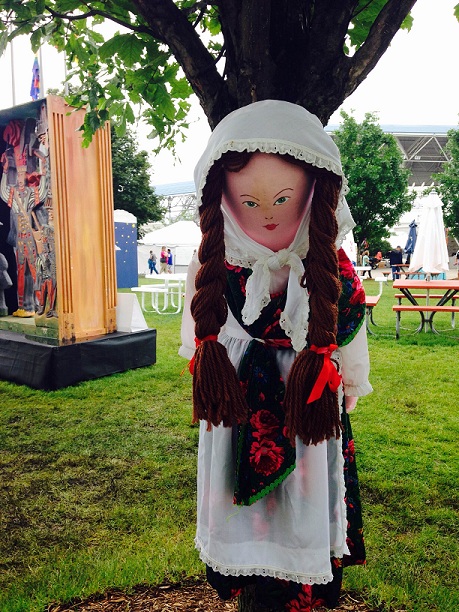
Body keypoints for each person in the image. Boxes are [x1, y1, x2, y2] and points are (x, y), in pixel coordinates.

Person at [179, 100, 372, 610]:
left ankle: (299, 578)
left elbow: (349, 326)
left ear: (314, 193)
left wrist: (351, 379)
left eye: (283, 198)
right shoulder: (217, 261)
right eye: (250, 201)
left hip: (307, 406)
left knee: (306, 495)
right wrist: (205, 368)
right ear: (224, 198)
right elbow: (199, 328)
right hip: (239, 407)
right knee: (247, 506)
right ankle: (253, 573)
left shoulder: (328, 265)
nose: (267, 214)